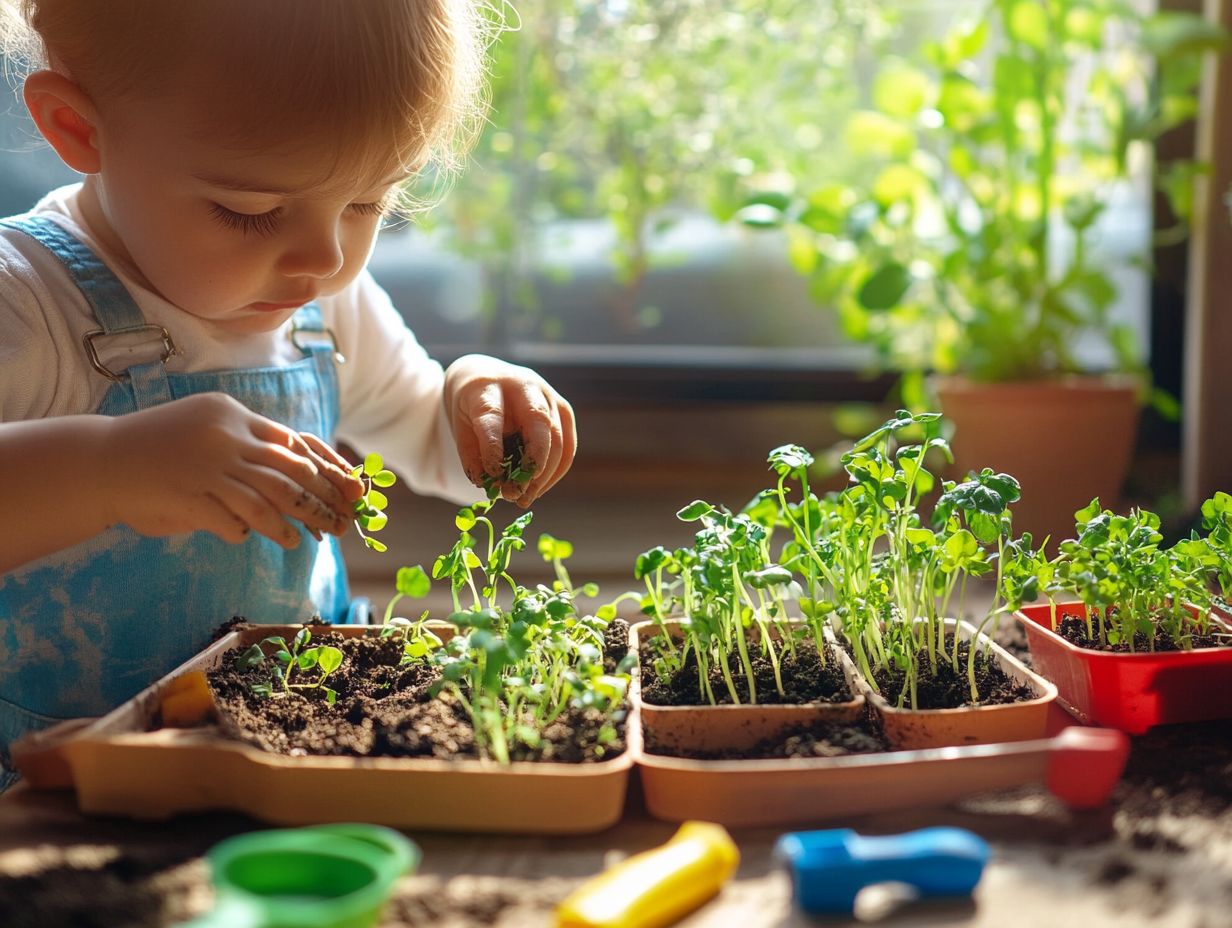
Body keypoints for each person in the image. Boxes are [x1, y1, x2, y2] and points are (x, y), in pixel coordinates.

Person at [0, 0, 576, 790]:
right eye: (251, 212)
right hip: (60, 798)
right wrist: (107, 469)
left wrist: (474, 401)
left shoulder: (324, 306)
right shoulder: (25, 304)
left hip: (292, 761)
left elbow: (425, 436)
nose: (326, 257)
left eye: (369, 203)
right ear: (79, 130)